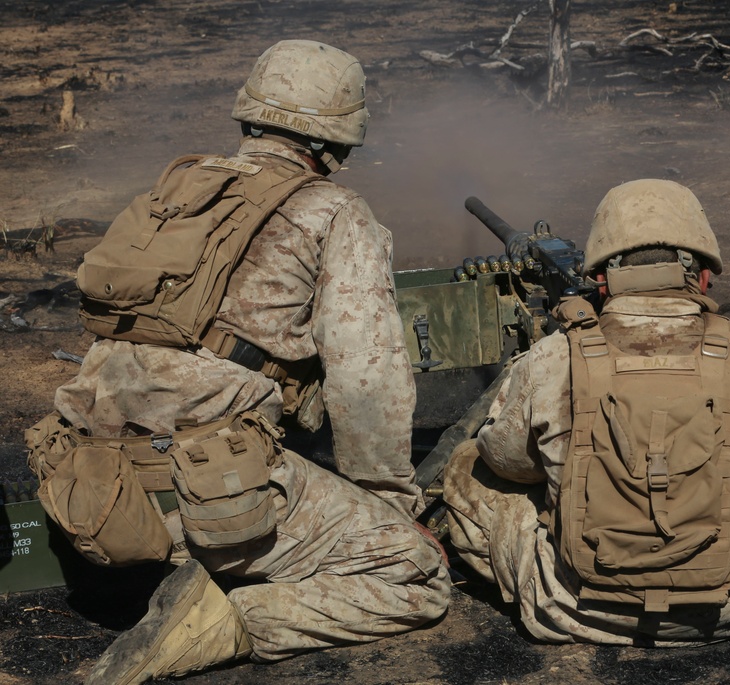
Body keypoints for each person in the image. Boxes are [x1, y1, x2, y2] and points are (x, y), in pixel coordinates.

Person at [26, 40, 450, 683]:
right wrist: (387, 502)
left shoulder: (175, 194)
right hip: (203, 492)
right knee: (412, 575)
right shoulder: (334, 212)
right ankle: (217, 621)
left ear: (250, 111)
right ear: (340, 134)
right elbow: (369, 381)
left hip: (97, 483)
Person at [443, 179, 730, 645]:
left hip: (577, 608)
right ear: (702, 276)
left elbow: (507, 461)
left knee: (465, 465)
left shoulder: (557, 355)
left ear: (600, 280)